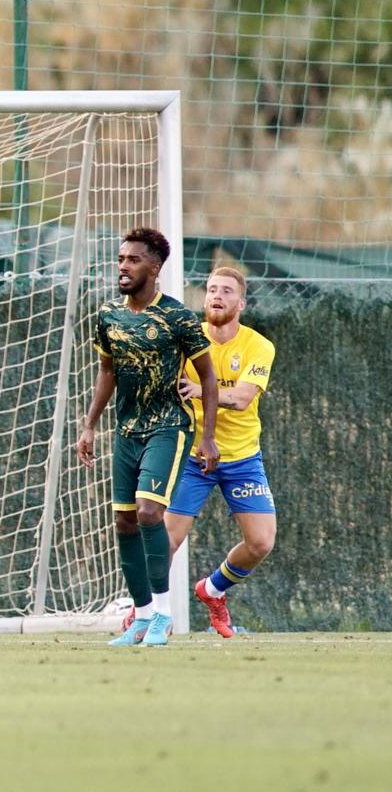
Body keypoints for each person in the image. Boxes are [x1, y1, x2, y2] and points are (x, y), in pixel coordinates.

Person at [76, 227, 218, 650]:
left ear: (154, 268)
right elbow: (107, 372)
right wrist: (89, 425)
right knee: (124, 520)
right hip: (127, 430)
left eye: (133, 260)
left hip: (168, 425)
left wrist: (207, 436)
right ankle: (139, 617)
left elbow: (207, 376)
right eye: (121, 259)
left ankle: (162, 615)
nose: (123, 266)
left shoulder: (178, 317)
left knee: (150, 514)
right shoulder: (108, 317)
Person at [167, 265, 276, 638]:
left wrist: (202, 391)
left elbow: (244, 398)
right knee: (165, 541)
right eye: (212, 289)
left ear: (241, 302)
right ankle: (145, 612)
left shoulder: (258, 346)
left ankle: (212, 590)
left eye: (227, 291)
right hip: (193, 458)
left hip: (242, 458)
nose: (217, 296)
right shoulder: (186, 342)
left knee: (261, 542)